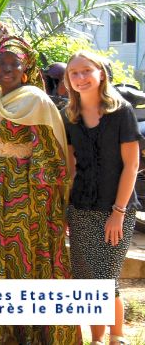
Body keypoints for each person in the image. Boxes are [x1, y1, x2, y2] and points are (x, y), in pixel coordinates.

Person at [0, 36, 80, 345]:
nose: (6, 69)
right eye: (0, 63)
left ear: (24, 70)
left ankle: (32, 331)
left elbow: (50, 151)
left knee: (25, 249)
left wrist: (40, 193)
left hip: (28, 189)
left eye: (13, 64)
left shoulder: (36, 101)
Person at [65, 50, 139, 345]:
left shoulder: (121, 112)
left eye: (86, 71)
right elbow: (71, 169)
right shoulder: (69, 116)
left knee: (105, 280)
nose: (80, 78)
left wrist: (118, 212)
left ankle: (117, 338)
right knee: (86, 282)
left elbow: (132, 165)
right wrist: (64, 210)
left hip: (116, 210)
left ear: (100, 74)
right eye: (74, 74)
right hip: (80, 210)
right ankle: (97, 340)